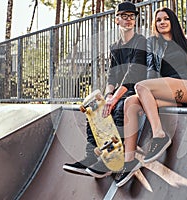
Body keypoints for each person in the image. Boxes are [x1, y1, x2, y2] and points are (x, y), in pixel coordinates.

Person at [114, 7, 187, 187]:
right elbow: (150, 74)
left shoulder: (185, 43)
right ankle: (129, 161)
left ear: (172, 22)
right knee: (131, 102)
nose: (162, 22)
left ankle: (159, 135)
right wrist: (144, 100)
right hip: (166, 90)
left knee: (141, 87)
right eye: (158, 20)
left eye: (166, 19)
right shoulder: (154, 45)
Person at [63, 1, 147, 178]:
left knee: (118, 107)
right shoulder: (115, 47)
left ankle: (112, 160)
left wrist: (114, 98)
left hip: (138, 90)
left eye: (132, 17)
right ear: (116, 20)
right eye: (124, 16)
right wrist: (108, 95)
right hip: (119, 91)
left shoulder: (141, 41)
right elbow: (112, 76)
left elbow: (134, 73)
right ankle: (90, 156)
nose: (128, 20)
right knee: (94, 108)